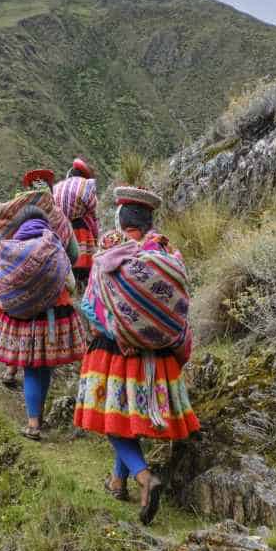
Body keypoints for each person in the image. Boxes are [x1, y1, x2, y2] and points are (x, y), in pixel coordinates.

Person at [74, 185, 199, 525]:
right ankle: (118, 481)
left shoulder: (112, 251)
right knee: (127, 417)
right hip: (157, 355)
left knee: (113, 421)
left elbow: (91, 304)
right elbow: (180, 303)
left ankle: (145, 478)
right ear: (148, 221)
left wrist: (115, 326)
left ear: (121, 221)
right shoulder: (166, 252)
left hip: (116, 352)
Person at [0, 169, 86, 440]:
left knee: (31, 367)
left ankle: (34, 423)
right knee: (45, 364)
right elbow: (75, 255)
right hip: (55, 307)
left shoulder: (13, 220)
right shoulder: (58, 220)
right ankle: (40, 416)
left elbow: (0, 259)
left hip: (21, 309)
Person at [53, 158, 99, 288]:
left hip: (60, 227)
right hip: (79, 226)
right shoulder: (87, 185)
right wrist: (96, 234)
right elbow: (93, 209)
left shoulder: (57, 186)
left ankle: (70, 281)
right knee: (88, 219)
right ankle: (85, 279)